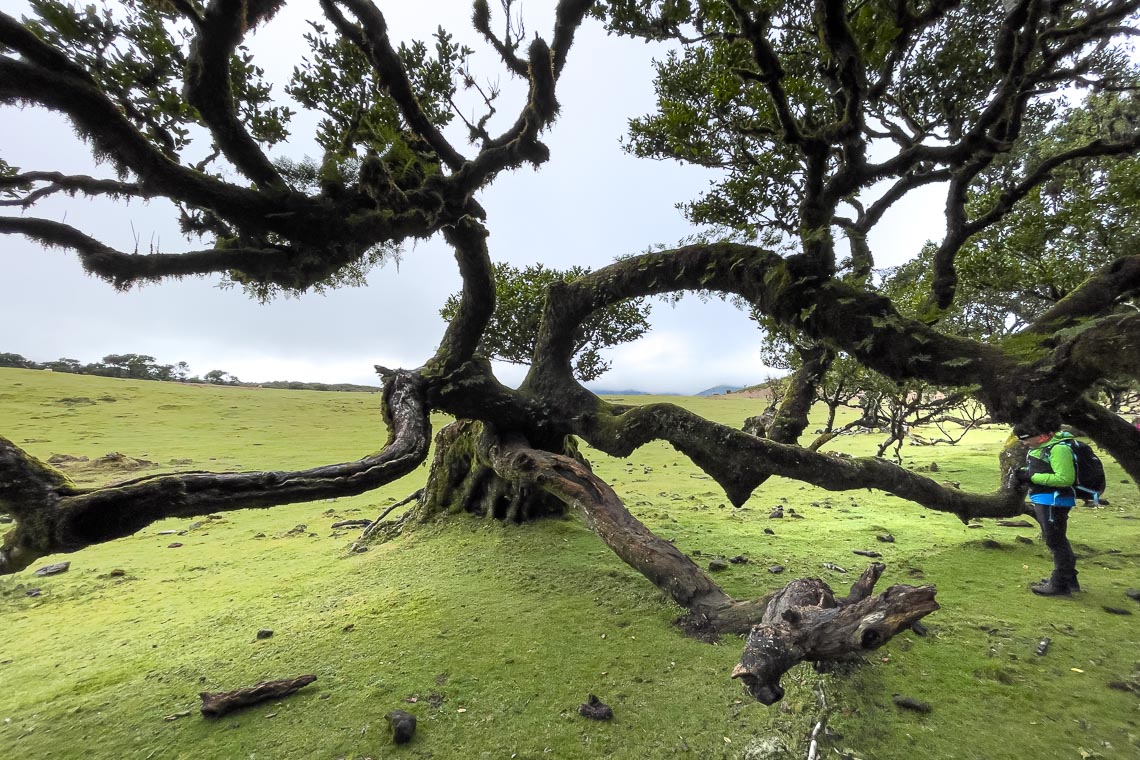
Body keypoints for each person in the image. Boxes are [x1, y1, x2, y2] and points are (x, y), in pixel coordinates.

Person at [1012, 424, 1080, 596]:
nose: (1024, 443)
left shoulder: (1059, 449)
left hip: (1054, 501)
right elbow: (1042, 468)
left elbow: (1064, 478)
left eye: (1026, 439)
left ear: (1041, 435)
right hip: (1045, 499)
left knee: (1055, 541)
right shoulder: (1042, 447)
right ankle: (1069, 580)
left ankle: (1059, 585)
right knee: (1057, 539)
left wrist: (1031, 477)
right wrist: (1024, 473)